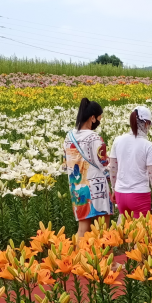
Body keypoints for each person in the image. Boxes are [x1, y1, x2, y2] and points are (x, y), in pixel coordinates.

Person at [64, 97, 113, 239]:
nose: (99, 121)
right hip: (96, 187)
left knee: (82, 229)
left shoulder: (69, 136)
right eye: (99, 118)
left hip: (77, 188)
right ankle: (107, 260)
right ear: (92, 118)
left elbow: (65, 163)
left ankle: (80, 259)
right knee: (103, 229)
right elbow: (103, 163)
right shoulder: (94, 137)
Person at [111, 106, 152, 218]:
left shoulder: (117, 140)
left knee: (123, 233)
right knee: (141, 232)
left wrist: (113, 189)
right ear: (145, 124)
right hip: (139, 195)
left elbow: (113, 169)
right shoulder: (148, 145)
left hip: (120, 194)